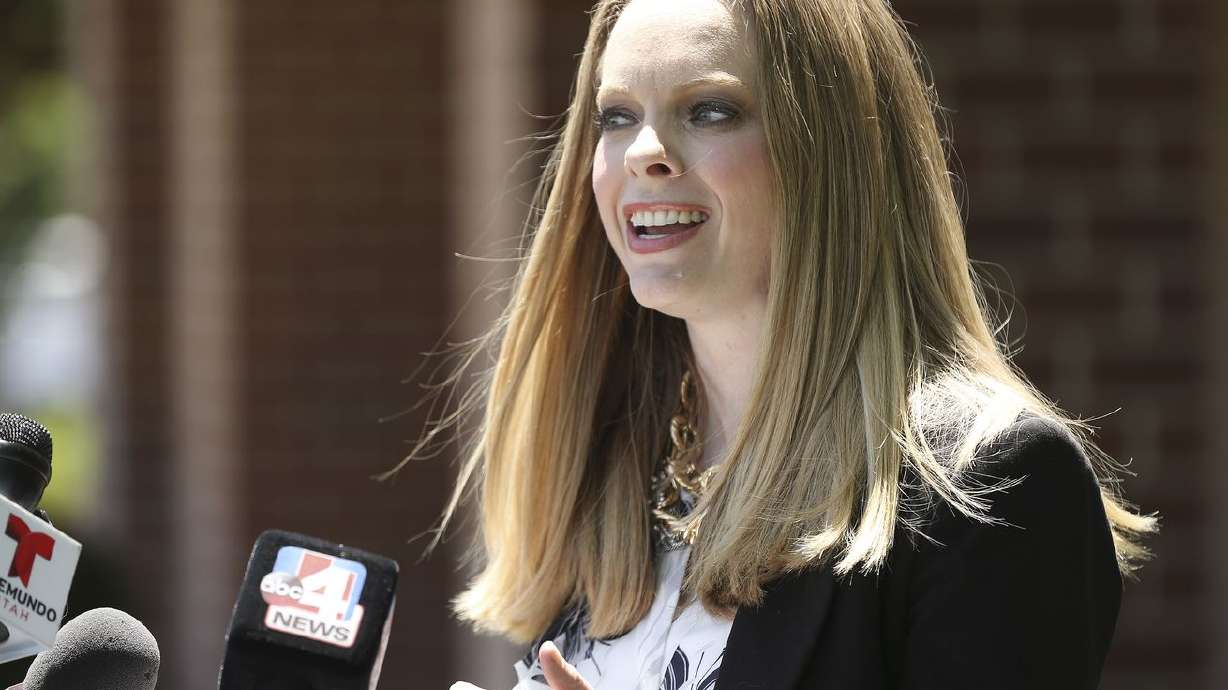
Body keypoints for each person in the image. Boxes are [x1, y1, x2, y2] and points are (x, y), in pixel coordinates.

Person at [406, 0, 1159, 688]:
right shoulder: (613, 479)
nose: (645, 152)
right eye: (616, 116)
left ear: (830, 153)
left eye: (708, 110)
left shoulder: (993, 482)